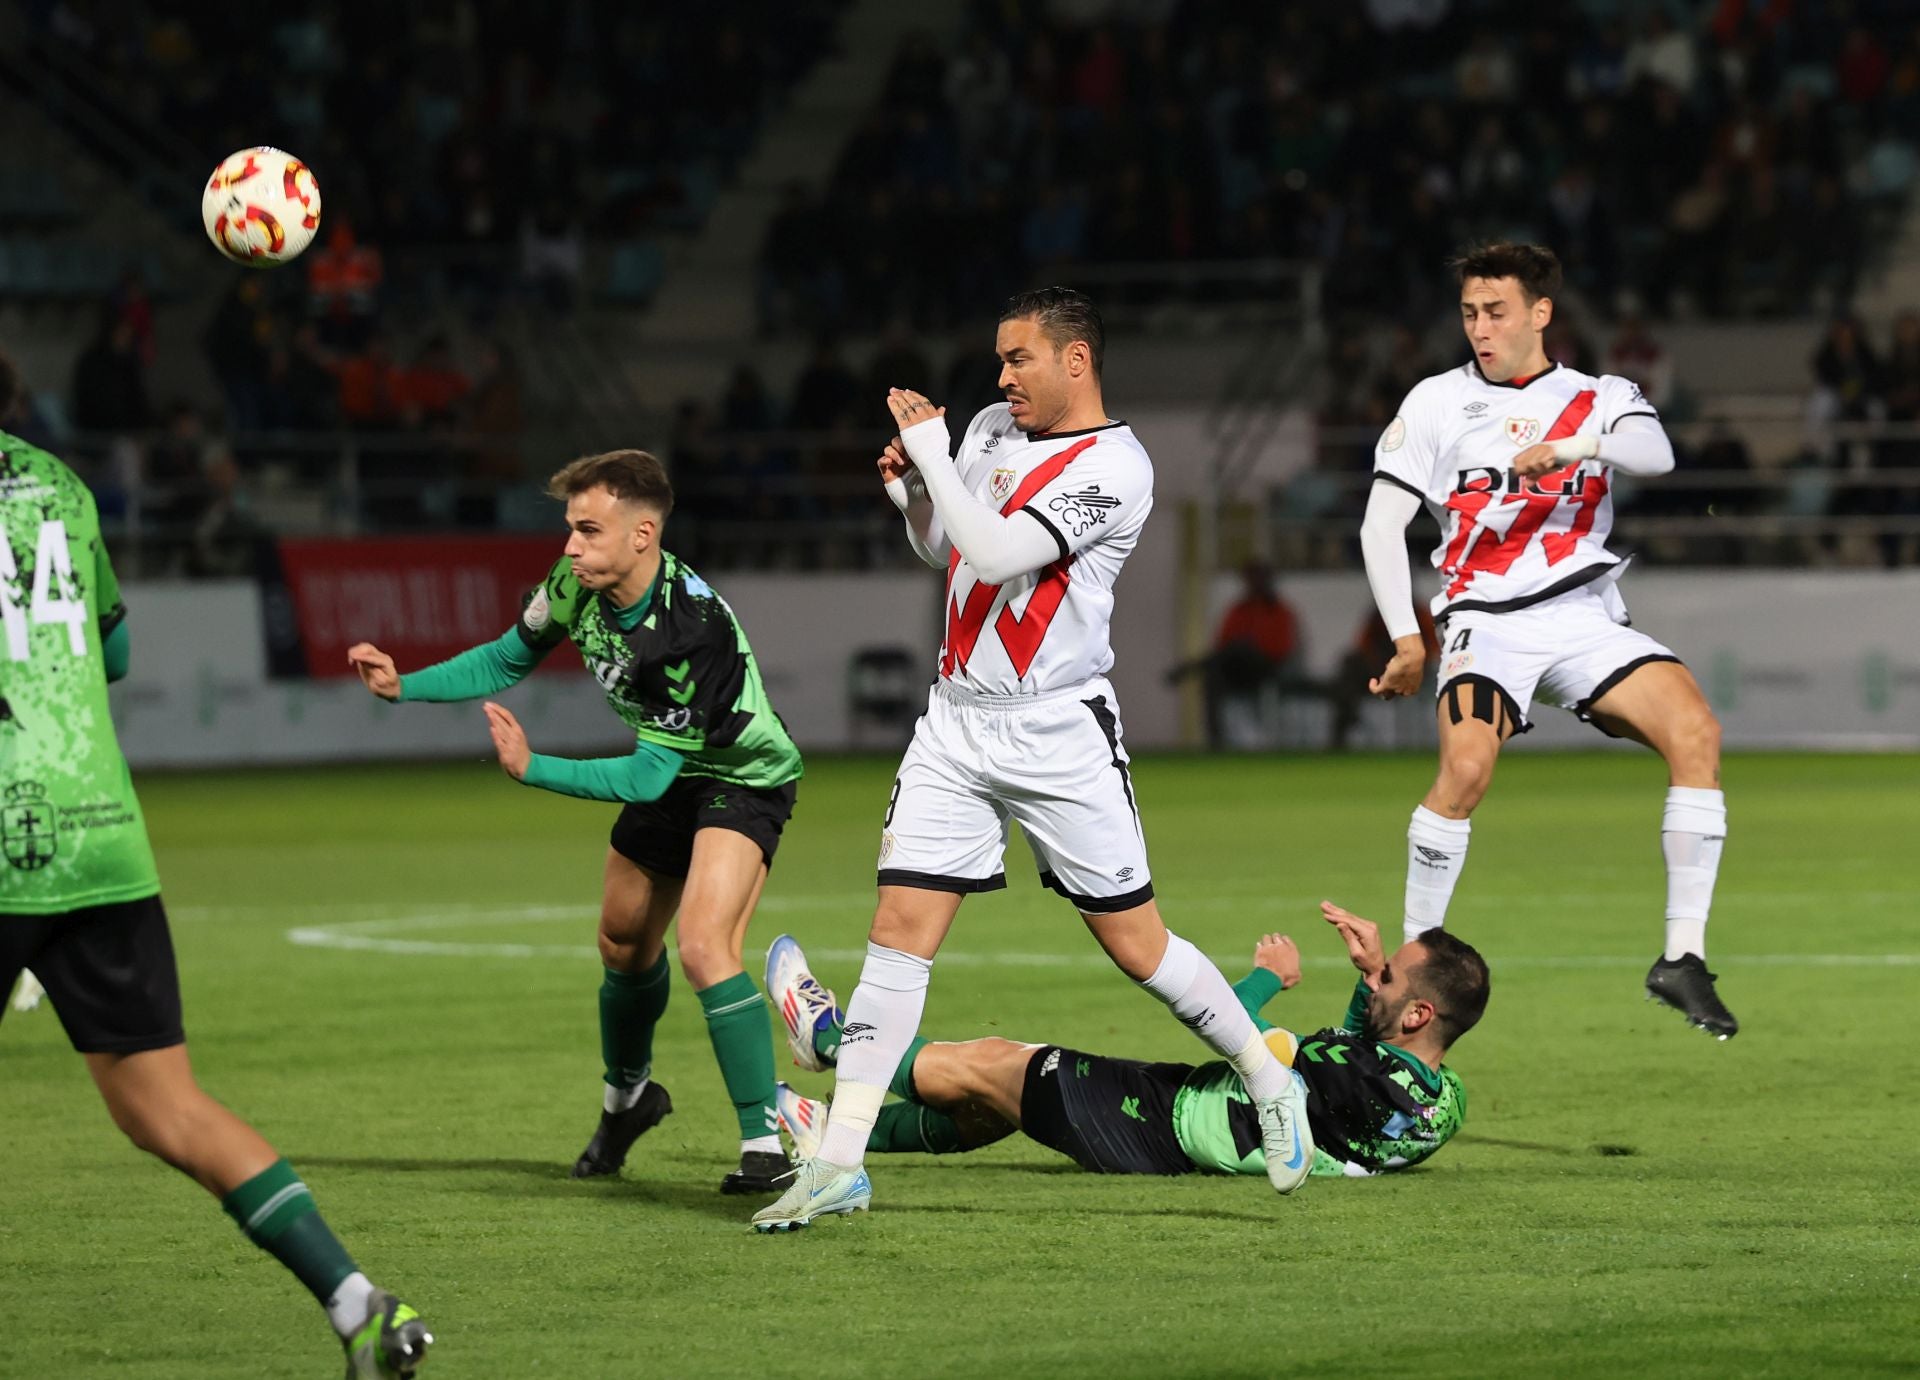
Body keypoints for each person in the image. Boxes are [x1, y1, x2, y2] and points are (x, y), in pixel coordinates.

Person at [751, 287, 1312, 1233]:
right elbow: (947, 551)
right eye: (1000, 360)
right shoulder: (985, 429)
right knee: (899, 929)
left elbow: (1006, 548)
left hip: (1059, 733)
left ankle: (1266, 1078)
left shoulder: (1117, 466)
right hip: (958, 722)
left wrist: (931, 454)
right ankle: (841, 1162)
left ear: (1077, 361)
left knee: (1137, 944)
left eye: (1020, 360)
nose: (1002, 377)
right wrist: (915, 491)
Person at [0, 353, 430, 1378]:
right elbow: (110, 654)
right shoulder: (57, 484)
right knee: (166, 1107)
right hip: (101, 831)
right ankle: (359, 1303)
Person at [347, 450, 805, 1194]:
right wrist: (406, 685)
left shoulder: (686, 629)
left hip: (737, 777)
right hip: (670, 765)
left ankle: (765, 1141)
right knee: (622, 943)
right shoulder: (574, 586)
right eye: (570, 528)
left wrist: (535, 768)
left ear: (642, 534)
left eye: (588, 530)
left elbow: (646, 776)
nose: (569, 547)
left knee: (700, 944)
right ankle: (627, 1102)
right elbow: (506, 657)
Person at [1360, 242, 1735, 1038]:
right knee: (1464, 772)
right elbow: (1380, 523)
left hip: (1582, 616)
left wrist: (1574, 447)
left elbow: (1657, 455)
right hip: (1485, 620)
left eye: (1496, 312)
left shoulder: (1599, 397)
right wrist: (1408, 637)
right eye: (1469, 313)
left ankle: (1682, 959)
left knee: (1697, 732)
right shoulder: (1434, 402)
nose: (1480, 328)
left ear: (1541, 313)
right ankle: (1407, 961)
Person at [766, 902, 1486, 1181]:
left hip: (1164, 1127)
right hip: (1182, 1126)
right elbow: (1365, 1061)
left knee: (994, 1062)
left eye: (1390, 974)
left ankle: (827, 1036)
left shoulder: (1352, 1074)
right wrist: (1371, 979)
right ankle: (838, 1132)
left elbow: (1231, 1027)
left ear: (1419, 1014)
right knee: (1001, 1105)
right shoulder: (1442, 1102)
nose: (1377, 973)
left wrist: (1266, 980)